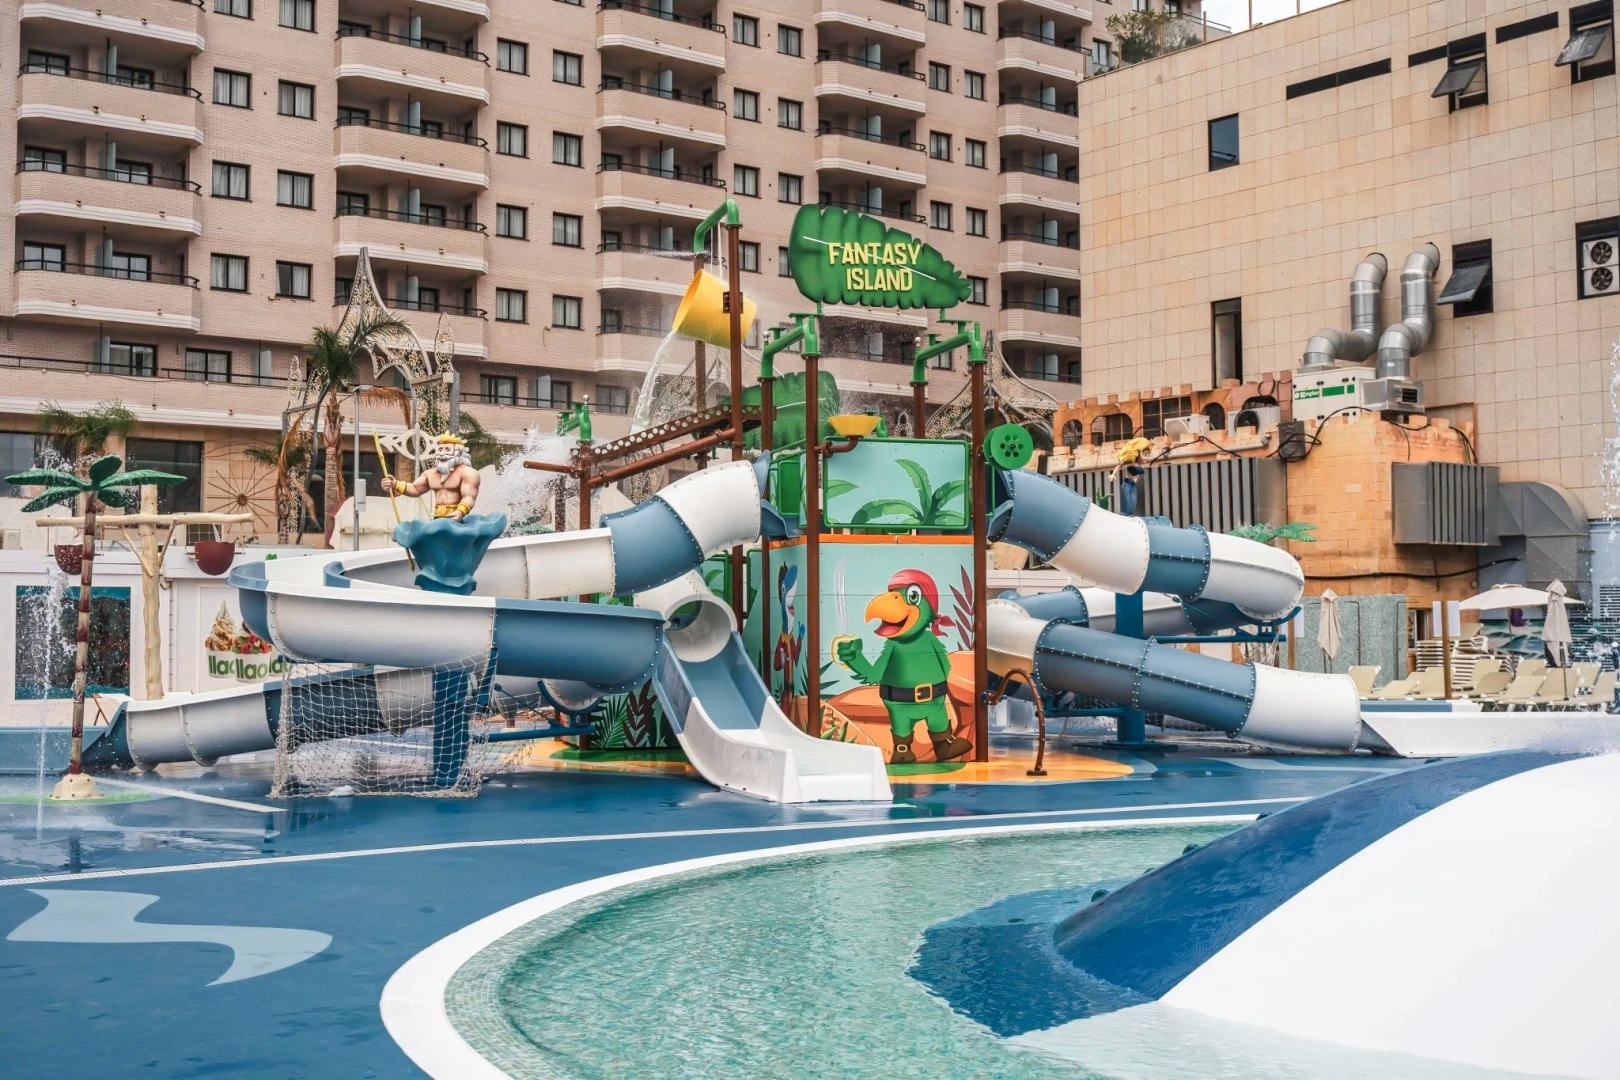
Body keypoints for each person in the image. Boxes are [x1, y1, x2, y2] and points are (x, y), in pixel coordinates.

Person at [382, 433, 481, 521]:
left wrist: (460, 511)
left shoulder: (468, 473)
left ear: (458, 453)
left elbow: (469, 496)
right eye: (440, 449)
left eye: (447, 450)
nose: (442, 453)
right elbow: (415, 488)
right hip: (436, 518)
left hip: (457, 520)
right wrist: (395, 484)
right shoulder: (430, 474)